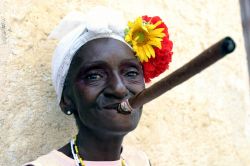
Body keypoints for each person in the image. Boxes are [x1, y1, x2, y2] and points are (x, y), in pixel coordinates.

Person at [23, 6, 173, 166]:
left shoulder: (140, 161)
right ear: (67, 99)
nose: (119, 89)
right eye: (94, 76)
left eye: (130, 73)